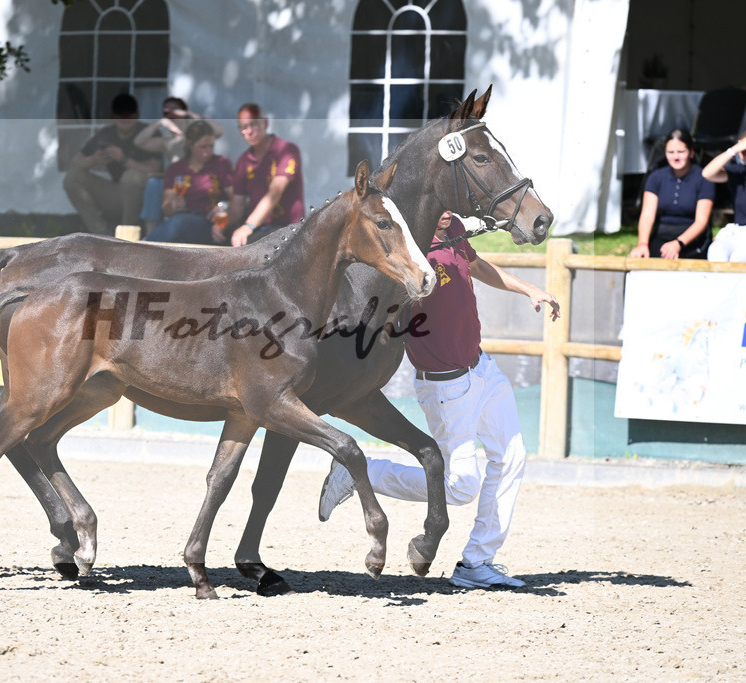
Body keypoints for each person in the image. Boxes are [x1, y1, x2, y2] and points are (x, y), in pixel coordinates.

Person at [318, 210, 561, 590]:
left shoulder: (454, 231)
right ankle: (363, 472)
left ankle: (477, 562)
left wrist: (528, 289)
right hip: (446, 386)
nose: (447, 211)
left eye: (450, 204)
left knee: (512, 457)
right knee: (462, 486)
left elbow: (476, 265)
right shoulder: (403, 246)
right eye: (440, 205)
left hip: (483, 369)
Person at [63, 93, 161, 235]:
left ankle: (128, 236)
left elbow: (156, 170)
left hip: (144, 200)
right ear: (113, 116)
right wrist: (94, 160)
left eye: (129, 114)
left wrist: (124, 160)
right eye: (120, 114)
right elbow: (76, 162)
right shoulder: (106, 134)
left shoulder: (147, 133)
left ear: (137, 115)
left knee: (130, 177)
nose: (124, 118)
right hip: (117, 195)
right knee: (73, 177)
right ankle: (101, 235)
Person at [134, 97, 225, 233]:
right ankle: (150, 233)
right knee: (153, 183)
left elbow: (219, 131)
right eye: (166, 109)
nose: (170, 111)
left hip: (198, 180)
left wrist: (190, 115)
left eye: (174, 108)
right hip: (175, 183)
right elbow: (138, 142)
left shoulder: (197, 134)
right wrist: (159, 123)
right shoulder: (167, 141)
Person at [225, 103, 304, 247]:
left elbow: (275, 192)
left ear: (265, 123)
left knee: (247, 244)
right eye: (243, 127)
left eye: (253, 124)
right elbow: (238, 206)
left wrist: (247, 227)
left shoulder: (287, 150)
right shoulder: (243, 160)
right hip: (258, 229)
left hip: (289, 228)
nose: (248, 131)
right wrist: (220, 226)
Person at [143, 120, 234, 244]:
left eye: (211, 146)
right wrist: (172, 205)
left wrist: (223, 206)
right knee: (177, 222)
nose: (208, 151)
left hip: (209, 223)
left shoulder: (222, 164)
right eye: (203, 147)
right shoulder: (176, 169)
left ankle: (145, 247)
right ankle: (146, 246)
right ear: (191, 145)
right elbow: (167, 208)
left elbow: (238, 199)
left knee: (179, 222)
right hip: (181, 220)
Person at [629, 129, 715, 260]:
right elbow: (647, 215)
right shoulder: (656, 177)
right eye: (671, 152)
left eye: (681, 152)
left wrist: (678, 244)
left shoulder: (703, 178)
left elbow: (701, 221)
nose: (676, 157)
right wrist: (642, 244)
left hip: (692, 237)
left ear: (691, 153)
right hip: (663, 233)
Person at [702, 130, 746, 263]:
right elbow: (707, 174)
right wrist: (734, 149)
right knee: (716, 252)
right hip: (738, 232)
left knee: (738, 259)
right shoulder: (737, 174)